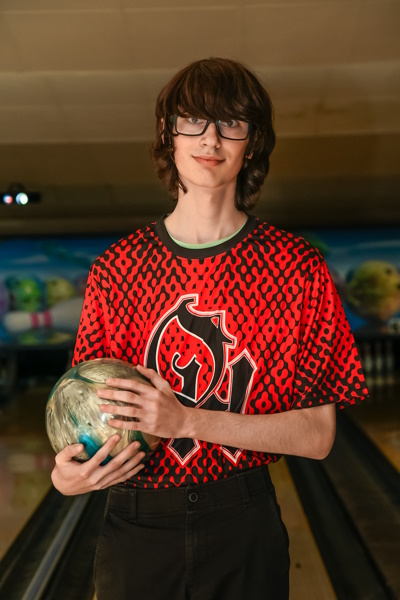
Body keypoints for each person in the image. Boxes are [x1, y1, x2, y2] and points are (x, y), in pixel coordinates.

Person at [51, 57, 368, 600]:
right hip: (135, 527)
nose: (211, 139)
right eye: (193, 121)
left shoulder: (297, 269)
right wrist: (67, 478)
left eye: (232, 123)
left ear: (253, 143)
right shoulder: (116, 269)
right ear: (167, 135)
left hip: (242, 525)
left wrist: (187, 421)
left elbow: (318, 437)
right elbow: (81, 414)